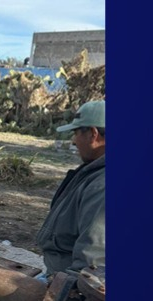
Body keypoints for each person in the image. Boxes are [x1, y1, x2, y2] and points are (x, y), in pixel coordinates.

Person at [36, 100, 106, 278]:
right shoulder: (93, 171)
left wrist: (63, 297)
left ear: (93, 134)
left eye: (76, 133)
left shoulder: (102, 186)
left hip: (68, 284)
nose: (74, 141)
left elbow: (92, 266)